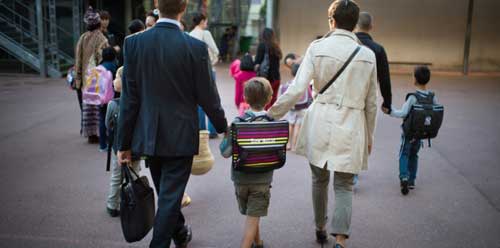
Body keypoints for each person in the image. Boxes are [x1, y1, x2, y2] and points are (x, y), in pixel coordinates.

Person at [116, 0, 228, 247]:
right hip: (180, 135)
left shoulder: (134, 44)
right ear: (184, 8)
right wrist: (223, 126)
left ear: (157, 5)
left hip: (149, 135)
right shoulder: (195, 48)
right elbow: (208, 97)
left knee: (167, 195)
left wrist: (122, 144)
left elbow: (129, 99)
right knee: (169, 197)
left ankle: (179, 233)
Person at [267, 1, 378, 247]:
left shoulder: (317, 48)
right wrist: (370, 135)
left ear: (332, 21)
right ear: (355, 23)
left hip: (320, 121)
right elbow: (372, 103)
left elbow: (297, 89)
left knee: (319, 180)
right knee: (345, 185)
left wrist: (273, 113)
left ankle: (320, 227)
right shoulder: (367, 56)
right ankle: (340, 239)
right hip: (352, 124)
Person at [220, 77, 274, 248]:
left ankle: (258, 242)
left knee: (252, 214)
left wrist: (226, 136)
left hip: (241, 178)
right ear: (269, 98)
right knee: (254, 214)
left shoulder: (237, 123)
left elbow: (225, 152)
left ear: (245, 98)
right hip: (263, 179)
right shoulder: (272, 123)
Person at [383, 66, 436, 195]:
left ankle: (404, 177)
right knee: (414, 155)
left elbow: (403, 113)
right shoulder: (432, 97)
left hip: (409, 133)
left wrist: (390, 111)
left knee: (404, 154)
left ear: (415, 79)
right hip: (421, 133)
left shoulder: (413, 97)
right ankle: (412, 180)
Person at [104, 66, 141, 217]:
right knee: (135, 174)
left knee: (116, 176)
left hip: (118, 147)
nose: (113, 80)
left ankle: (113, 205)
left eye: (116, 77)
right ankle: (135, 204)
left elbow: (108, 125)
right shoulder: (141, 102)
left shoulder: (113, 104)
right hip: (137, 147)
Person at [75, 7, 109, 144]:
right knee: (99, 108)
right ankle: (100, 133)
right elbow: (104, 58)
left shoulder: (82, 38)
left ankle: (91, 135)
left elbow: (78, 59)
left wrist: (78, 79)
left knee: (87, 107)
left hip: (85, 78)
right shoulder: (102, 38)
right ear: (98, 23)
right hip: (98, 78)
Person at [189, 12, 220, 138]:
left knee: (198, 101)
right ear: (202, 21)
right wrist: (212, 60)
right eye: (206, 21)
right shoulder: (205, 33)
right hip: (207, 69)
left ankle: (202, 129)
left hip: (194, 71)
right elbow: (215, 50)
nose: (206, 24)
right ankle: (213, 130)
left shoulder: (190, 34)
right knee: (212, 100)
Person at [279, 63, 312, 151]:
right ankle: (294, 146)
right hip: (302, 107)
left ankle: (288, 144)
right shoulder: (304, 84)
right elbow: (309, 95)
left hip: (292, 107)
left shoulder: (288, 84)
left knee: (290, 125)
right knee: (298, 126)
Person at [254, 28, 282, 110]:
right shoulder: (276, 46)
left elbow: (257, 63)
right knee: (273, 101)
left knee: (264, 102)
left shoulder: (262, 46)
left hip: (266, 78)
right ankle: (272, 119)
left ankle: (266, 120)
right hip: (276, 78)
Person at [97, 47, 118, 151]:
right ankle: (112, 144)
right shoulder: (114, 67)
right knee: (111, 120)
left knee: (101, 120)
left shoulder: (99, 66)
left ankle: (102, 145)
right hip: (111, 98)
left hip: (100, 98)